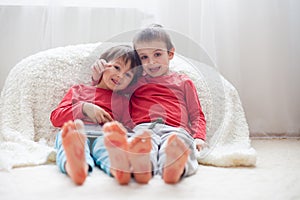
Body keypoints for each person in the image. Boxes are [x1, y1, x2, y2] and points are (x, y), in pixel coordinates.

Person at [50, 45, 149, 185]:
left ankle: (121, 168)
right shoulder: (79, 90)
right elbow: (56, 117)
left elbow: (128, 128)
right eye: (117, 67)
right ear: (102, 65)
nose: (120, 75)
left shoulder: (123, 101)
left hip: (103, 136)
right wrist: (84, 108)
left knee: (109, 147)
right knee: (71, 142)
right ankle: (76, 166)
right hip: (76, 132)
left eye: (128, 75)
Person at [121, 24, 207, 184]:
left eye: (157, 54)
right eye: (144, 57)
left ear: (171, 53)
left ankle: (174, 166)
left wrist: (199, 137)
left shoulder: (183, 82)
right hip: (144, 128)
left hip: (176, 129)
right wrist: (98, 75)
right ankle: (141, 166)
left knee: (177, 144)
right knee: (142, 143)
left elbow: (197, 114)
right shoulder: (134, 82)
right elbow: (112, 90)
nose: (151, 62)